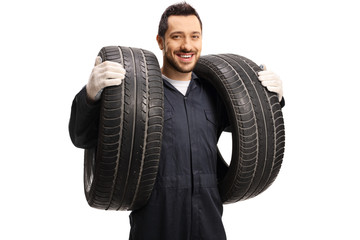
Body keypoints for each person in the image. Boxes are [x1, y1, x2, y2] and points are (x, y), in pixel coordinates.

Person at [69, 2, 284, 240]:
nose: (187, 45)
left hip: (208, 227)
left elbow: (253, 128)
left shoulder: (214, 94)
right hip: (155, 228)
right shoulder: (132, 95)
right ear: (161, 41)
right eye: (177, 36)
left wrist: (270, 99)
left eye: (195, 36)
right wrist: (91, 95)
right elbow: (82, 137)